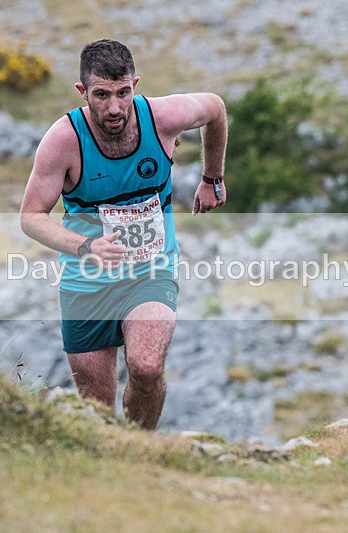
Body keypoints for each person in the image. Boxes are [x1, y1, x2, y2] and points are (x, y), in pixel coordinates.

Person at [20, 38, 227, 430]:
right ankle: (111, 457)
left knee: (146, 367)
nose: (114, 108)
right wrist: (86, 246)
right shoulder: (63, 140)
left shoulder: (161, 118)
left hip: (151, 269)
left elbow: (215, 108)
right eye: (101, 95)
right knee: (97, 409)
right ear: (83, 92)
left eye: (123, 93)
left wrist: (212, 177)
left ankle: (140, 448)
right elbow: (31, 217)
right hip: (87, 281)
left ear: (135, 85)